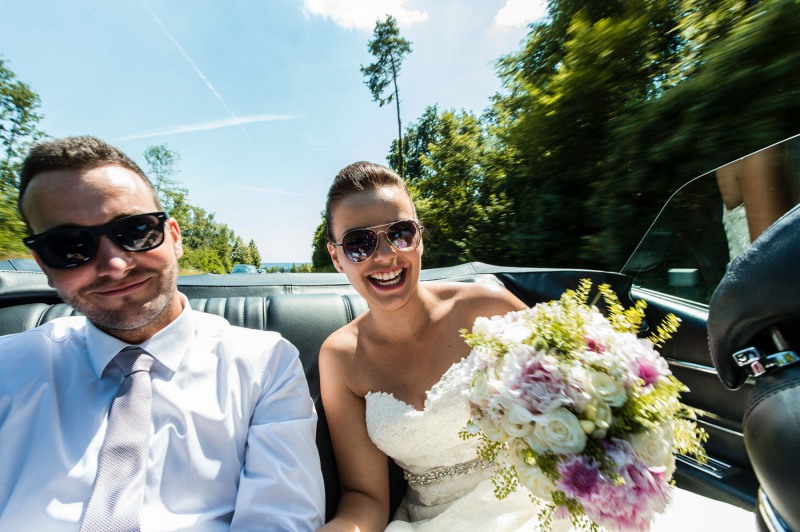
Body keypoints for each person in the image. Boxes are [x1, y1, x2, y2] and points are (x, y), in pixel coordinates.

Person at [317, 161, 756, 531]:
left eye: (400, 232)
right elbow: (364, 497)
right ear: (337, 257)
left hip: (548, 506)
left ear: (419, 236)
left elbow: (576, 388)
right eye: (359, 244)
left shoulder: (482, 306)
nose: (385, 255)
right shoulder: (341, 358)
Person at [0, 136, 325, 530]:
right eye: (69, 247)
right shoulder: (7, 366)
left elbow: (280, 522)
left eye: (135, 231)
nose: (115, 265)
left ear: (173, 235)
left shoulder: (263, 364)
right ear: (41, 263)